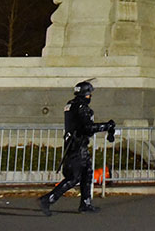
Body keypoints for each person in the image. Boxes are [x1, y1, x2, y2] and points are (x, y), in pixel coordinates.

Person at [39, 81, 116, 215]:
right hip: (77, 145)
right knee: (74, 177)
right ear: (85, 94)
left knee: (87, 173)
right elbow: (87, 128)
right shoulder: (81, 107)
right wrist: (106, 126)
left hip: (75, 144)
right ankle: (48, 199)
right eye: (89, 94)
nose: (90, 96)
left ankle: (85, 203)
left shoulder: (70, 105)